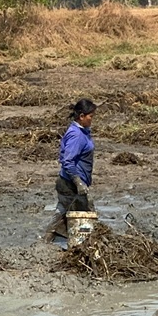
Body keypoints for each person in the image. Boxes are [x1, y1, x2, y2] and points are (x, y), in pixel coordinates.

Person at [44, 99, 97, 243]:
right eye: (90, 116)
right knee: (86, 214)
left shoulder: (81, 132)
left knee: (63, 213)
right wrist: (78, 182)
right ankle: (84, 244)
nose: (92, 120)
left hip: (67, 183)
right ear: (81, 116)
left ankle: (48, 241)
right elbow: (67, 161)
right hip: (70, 184)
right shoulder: (76, 135)